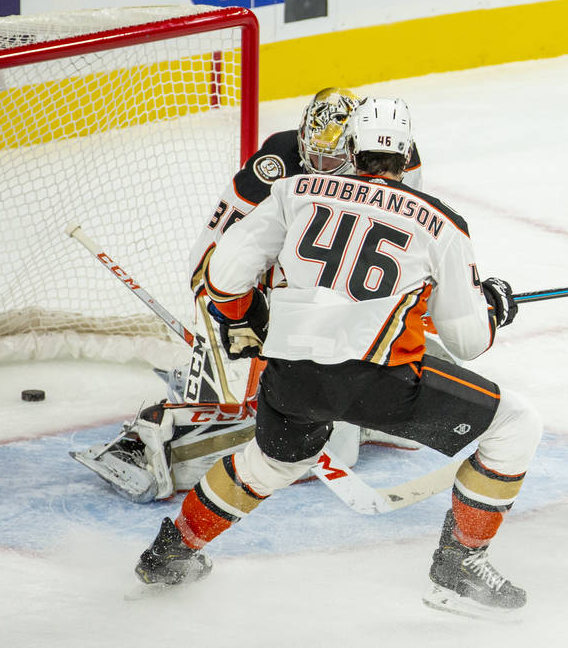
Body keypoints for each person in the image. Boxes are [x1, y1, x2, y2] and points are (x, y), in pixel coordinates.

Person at [133, 97, 542, 619]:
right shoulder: (442, 224)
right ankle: (459, 567)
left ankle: (170, 555)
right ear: (407, 153)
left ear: (351, 148)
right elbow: (467, 342)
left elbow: (223, 278)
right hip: (385, 387)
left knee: (272, 462)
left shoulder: (291, 190)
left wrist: (245, 321)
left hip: (290, 381)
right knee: (516, 426)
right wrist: (491, 306)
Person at [71, 88, 425, 503]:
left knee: (353, 411)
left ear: (356, 148)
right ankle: (158, 431)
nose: (318, 168)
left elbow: (407, 239)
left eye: (331, 162)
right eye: (312, 156)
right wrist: (234, 316)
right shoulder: (274, 166)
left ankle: (351, 411)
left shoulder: (394, 159)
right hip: (280, 278)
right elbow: (211, 254)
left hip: (344, 286)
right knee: (319, 439)